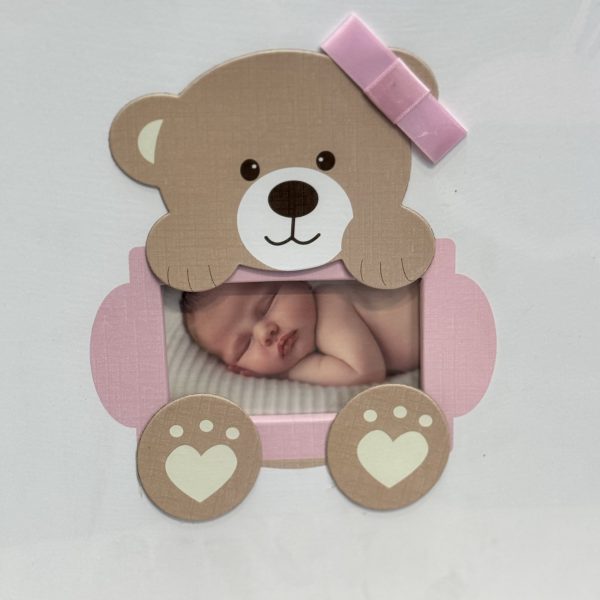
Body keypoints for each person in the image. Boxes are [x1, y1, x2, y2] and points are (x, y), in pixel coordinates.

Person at [180, 280, 419, 387]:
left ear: (298, 280)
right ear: (237, 367)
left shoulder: (329, 301)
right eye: (244, 345)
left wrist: (284, 373)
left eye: (268, 304)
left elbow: (365, 372)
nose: (265, 332)